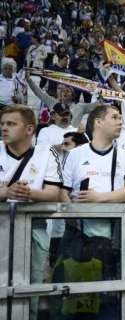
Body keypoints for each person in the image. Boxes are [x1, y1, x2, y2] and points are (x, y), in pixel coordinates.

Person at [0, 105, 62, 320]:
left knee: (33, 285)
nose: (4, 128)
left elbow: (54, 193)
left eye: (11, 124)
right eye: (3, 124)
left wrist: (28, 193)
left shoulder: (47, 153)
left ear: (29, 129)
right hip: (1, 223)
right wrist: (5, 192)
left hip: (34, 227)